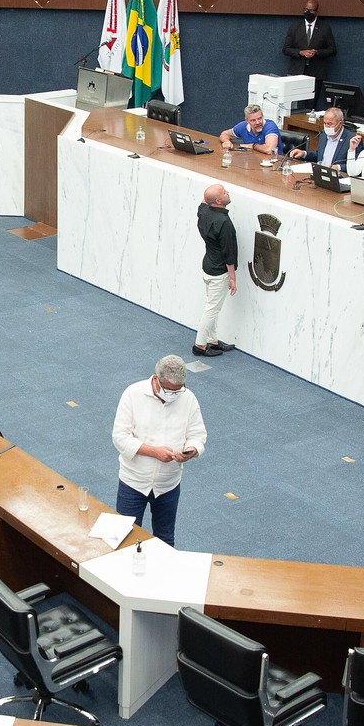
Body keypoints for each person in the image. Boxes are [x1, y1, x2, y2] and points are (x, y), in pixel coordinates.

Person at [111, 355, 207, 547]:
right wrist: (154, 452)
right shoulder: (132, 394)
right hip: (134, 482)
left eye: (178, 390)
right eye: (169, 390)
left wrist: (190, 451)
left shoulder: (188, 398)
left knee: (165, 540)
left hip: (168, 485)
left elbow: (198, 434)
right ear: (155, 379)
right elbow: (120, 437)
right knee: (124, 539)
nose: (173, 394)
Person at [195, 183, 236, 358]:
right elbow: (229, 253)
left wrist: (210, 194)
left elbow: (205, 200)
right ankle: (200, 345)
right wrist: (232, 277)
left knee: (212, 305)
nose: (228, 192)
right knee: (212, 309)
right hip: (219, 271)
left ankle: (213, 341)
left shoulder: (203, 212)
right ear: (219, 201)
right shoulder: (224, 223)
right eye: (224, 192)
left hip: (208, 266)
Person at [281, 0, 336, 103]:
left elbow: (332, 50)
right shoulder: (295, 27)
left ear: (317, 12)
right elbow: (286, 49)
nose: (307, 12)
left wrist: (317, 52)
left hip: (316, 73)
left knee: (311, 106)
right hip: (297, 72)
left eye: (311, 10)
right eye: (305, 9)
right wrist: (300, 52)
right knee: (294, 104)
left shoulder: (324, 27)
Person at [308, 105, 360, 172]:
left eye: (330, 124)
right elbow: (318, 156)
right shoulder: (324, 135)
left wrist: (338, 167)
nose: (326, 127)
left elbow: (356, 166)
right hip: (320, 173)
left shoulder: (352, 140)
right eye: (325, 123)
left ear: (340, 123)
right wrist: (304, 154)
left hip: (337, 177)